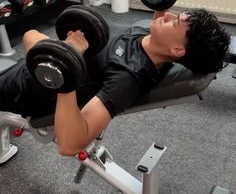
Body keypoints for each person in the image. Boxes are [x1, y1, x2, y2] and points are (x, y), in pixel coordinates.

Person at [0, 8, 230, 156]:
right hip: (47, 63)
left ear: (177, 49)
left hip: (27, 86)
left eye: (174, 22)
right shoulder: (152, 41)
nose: (167, 16)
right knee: (30, 35)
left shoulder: (127, 78)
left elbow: (69, 144)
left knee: (30, 38)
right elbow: (161, 25)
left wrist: (67, 62)